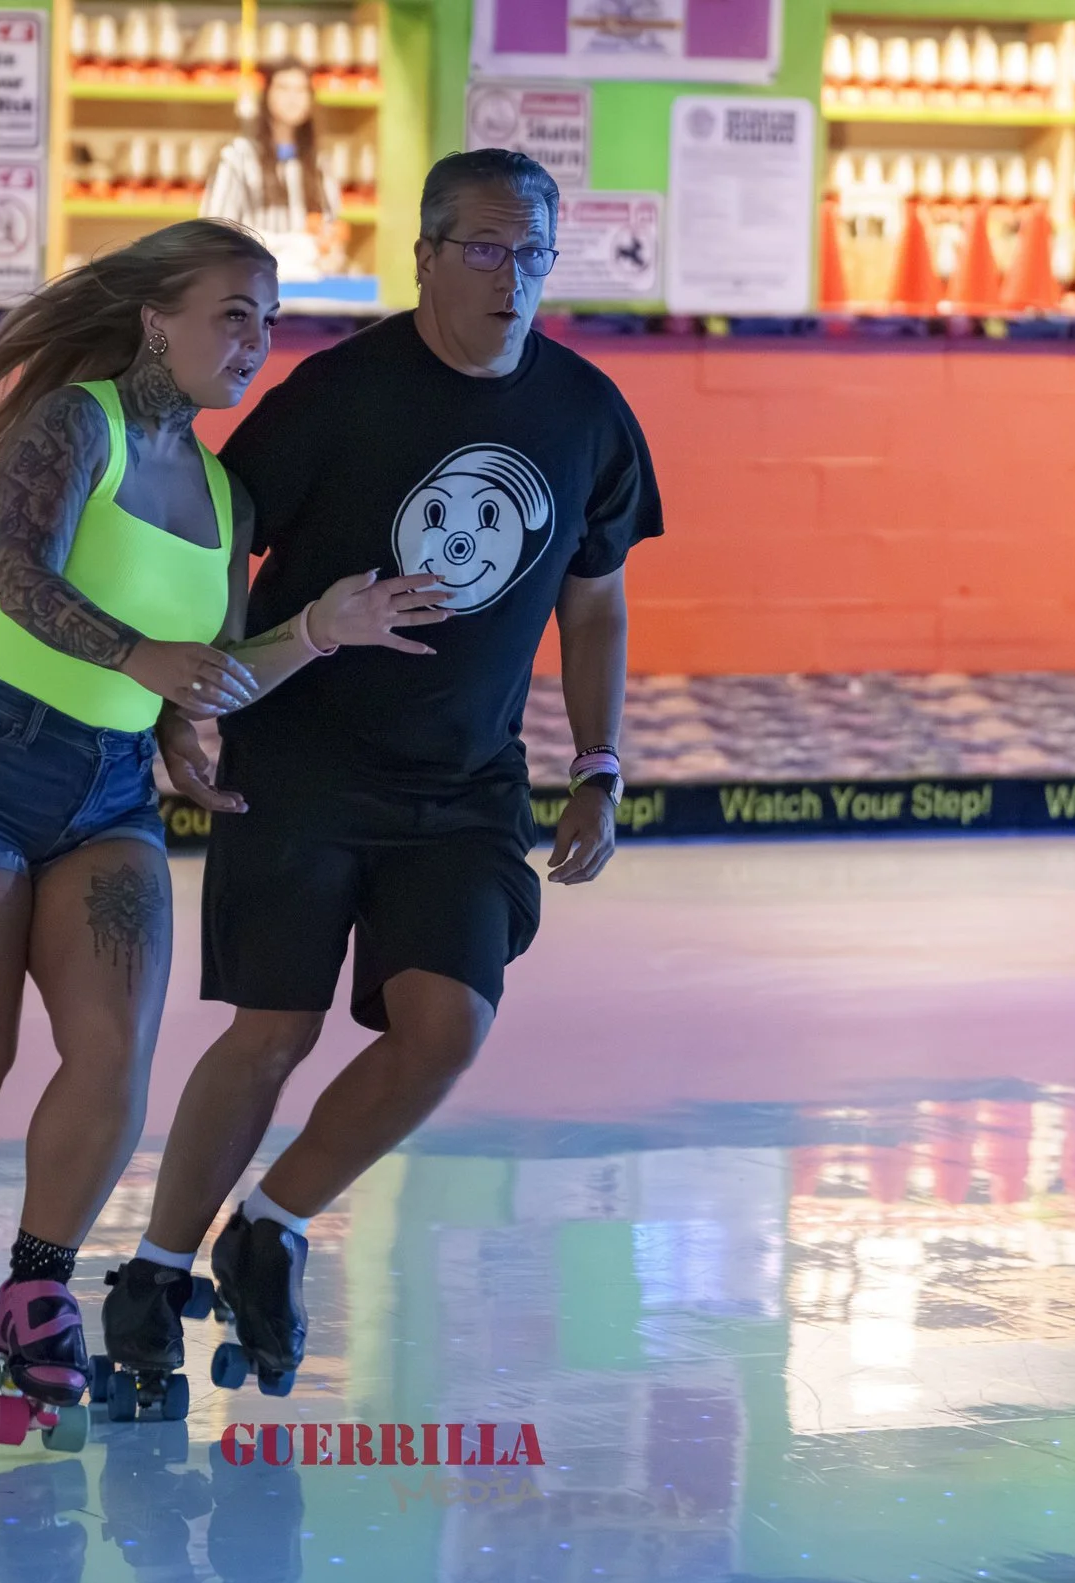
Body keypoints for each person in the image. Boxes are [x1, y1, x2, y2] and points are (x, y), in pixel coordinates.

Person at [0, 220, 453, 1413]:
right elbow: (21, 580)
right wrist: (139, 655)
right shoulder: (79, 424)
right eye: (230, 312)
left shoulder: (225, 492)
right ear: (156, 317)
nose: (254, 341)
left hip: (109, 787)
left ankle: (37, 1288)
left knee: (112, 1056)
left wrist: (319, 629)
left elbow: (211, 671)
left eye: (268, 319)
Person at [98, 149, 663, 1401]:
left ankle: (275, 1225)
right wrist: (181, 706)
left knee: (445, 1025)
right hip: (298, 761)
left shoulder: (585, 414)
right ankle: (150, 1266)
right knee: (274, 1030)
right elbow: (216, 555)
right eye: (479, 247)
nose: (506, 276)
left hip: (464, 784)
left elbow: (599, 603)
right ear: (422, 254)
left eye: (529, 252)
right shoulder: (333, 396)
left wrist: (601, 762)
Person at [200, 61, 347, 282]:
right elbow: (215, 230)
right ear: (266, 95)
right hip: (249, 282)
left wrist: (332, 257)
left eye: (301, 90)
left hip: (306, 283)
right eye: (283, 88)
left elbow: (332, 233)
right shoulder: (237, 157)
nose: (293, 98)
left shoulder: (319, 163)